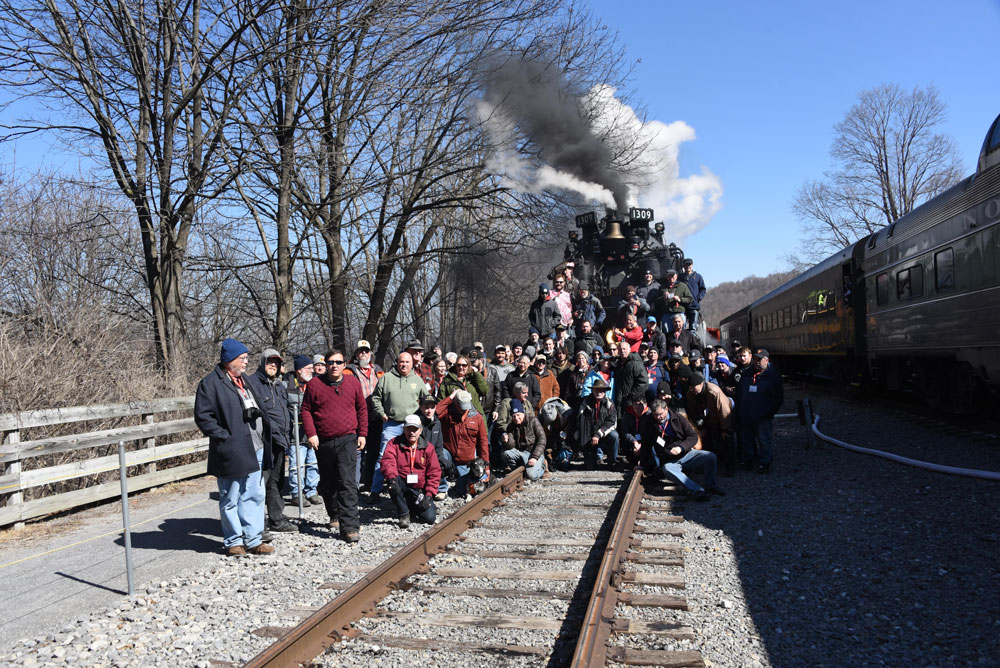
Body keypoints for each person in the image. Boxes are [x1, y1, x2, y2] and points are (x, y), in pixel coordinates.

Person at [194, 338, 275, 556]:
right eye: (243, 358)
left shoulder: (244, 380)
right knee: (231, 496)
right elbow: (203, 417)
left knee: (254, 494)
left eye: (247, 358)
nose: (247, 362)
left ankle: (254, 539)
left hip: (254, 447)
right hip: (231, 450)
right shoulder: (210, 383)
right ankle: (233, 541)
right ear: (230, 361)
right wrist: (224, 437)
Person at [301, 349, 367, 542]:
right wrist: (311, 433)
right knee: (328, 483)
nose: (335, 366)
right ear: (326, 365)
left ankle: (350, 527)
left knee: (347, 483)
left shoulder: (353, 383)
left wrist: (362, 433)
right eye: (331, 362)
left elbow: (361, 409)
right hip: (324, 441)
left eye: (338, 362)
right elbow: (306, 410)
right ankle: (335, 514)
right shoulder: (314, 385)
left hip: (348, 439)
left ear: (344, 364)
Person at [246, 349, 296, 535]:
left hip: (280, 442)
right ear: (262, 362)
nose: (273, 365)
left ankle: (276, 519)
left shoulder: (279, 386)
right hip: (263, 442)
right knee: (259, 484)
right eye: (269, 361)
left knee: (276, 482)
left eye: (276, 362)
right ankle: (257, 525)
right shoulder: (252, 383)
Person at [371, 352, 429, 497]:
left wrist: (422, 417)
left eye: (407, 362)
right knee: (383, 456)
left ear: (412, 364)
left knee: (414, 457)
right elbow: (376, 398)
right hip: (392, 425)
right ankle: (375, 490)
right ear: (397, 362)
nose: (404, 365)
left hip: (412, 426)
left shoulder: (418, 380)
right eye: (401, 362)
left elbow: (426, 400)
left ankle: (414, 489)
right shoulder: (386, 378)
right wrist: (382, 414)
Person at [640, 399, 723, 502]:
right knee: (667, 468)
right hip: (669, 461)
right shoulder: (649, 422)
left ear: (666, 409)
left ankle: (711, 486)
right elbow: (646, 444)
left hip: (687, 454)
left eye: (660, 414)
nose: (658, 417)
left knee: (710, 457)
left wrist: (681, 448)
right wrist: (643, 464)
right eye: (655, 415)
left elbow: (693, 437)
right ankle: (697, 490)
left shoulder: (679, 418)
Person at [380, 414, 441, 528]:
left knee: (429, 518)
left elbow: (434, 472)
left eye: (415, 429)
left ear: (420, 430)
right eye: (409, 429)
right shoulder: (393, 444)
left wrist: (429, 494)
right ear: (404, 429)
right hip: (402, 482)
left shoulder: (428, 448)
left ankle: (412, 507)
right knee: (392, 482)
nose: (412, 432)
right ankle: (403, 514)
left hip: (419, 488)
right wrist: (392, 478)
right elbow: (388, 461)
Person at [343, 339, 385, 490]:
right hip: (356, 419)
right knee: (357, 452)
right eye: (360, 351)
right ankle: (354, 486)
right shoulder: (348, 372)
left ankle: (369, 483)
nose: (363, 354)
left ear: (370, 354)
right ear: (356, 354)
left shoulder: (379, 371)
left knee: (374, 452)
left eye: (366, 351)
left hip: (375, 419)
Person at [735, 349, 784, 473]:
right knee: (747, 439)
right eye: (755, 359)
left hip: (763, 416)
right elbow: (740, 393)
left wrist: (768, 413)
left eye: (760, 359)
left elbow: (778, 398)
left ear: (766, 360)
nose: (757, 362)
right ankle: (749, 460)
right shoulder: (746, 374)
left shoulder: (773, 376)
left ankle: (764, 463)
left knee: (764, 440)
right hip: (746, 414)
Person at [436, 390, 489, 497]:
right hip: (448, 454)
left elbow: (483, 442)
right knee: (436, 456)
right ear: (455, 403)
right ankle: (442, 489)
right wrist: (450, 397)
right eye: (461, 406)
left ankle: (456, 475)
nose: (465, 410)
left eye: (467, 406)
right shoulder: (448, 412)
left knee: (461, 490)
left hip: (465, 460)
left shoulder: (477, 417)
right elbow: (435, 412)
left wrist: (486, 467)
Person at [286, 355, 322, 505]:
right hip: (295, 434)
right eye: (308, 369)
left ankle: (311, 491)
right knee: (297, 465)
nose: (312, 371)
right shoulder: (287, 386)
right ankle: (296, 493)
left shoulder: (314, 384)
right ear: (299, 370)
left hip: (312, 432)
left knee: (313, 463)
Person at [685, 372, 737, 476]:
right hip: (708, 418)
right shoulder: (690, 394)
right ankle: (707, 465)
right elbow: (693, 412)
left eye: (694, 387)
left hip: (723, 416)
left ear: (701, 384)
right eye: (690, 387)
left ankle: (731, 467)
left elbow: (724, 412)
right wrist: (699, 428)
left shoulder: (714, 391)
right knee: (706, 440)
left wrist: (725, 429)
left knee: (728, 439)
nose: (692, 389)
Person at [576, 378, 618, 469]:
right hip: (588, 435)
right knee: (589, 467)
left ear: (605, 392)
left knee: (614, 436)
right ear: (592, 390)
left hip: (603, 434)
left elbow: (612, 422)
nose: (599, 392)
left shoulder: (610, 403)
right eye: (596, 389)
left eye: (601, 390)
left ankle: (612, 462)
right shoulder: (584, 402)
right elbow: (578, 421)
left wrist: (598, 434)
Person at [501, 399, 547, 480]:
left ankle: (543, 467)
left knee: (532, 476)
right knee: (505, 453)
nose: (516, 418)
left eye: (518, 415)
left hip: (534, 452)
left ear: (523, 413)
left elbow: (542, 439)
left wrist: (535, 457)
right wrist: (506, 441)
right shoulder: (511, 426)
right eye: (514, 416)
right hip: (522, 452)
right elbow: (511, 446)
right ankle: (519, 470)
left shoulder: (533, 420)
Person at [418, 396, 450, 500]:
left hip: (433, 454)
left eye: (432, 407)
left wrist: (442, 461)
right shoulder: (416, 422)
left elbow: (439, 446)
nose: (429, 411)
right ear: (421, 407)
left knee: (444, 456)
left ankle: (441, 488)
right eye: (426, 407)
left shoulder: (437, 422)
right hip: (419, 456)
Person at [613, 338, 649, 419]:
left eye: (624, 349)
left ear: (629, 350)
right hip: (620, 404)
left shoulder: (636, 363)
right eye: (620, 349)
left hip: (633, 404)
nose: (622, 351)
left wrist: (631, 397)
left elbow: (644, 383)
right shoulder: (619, 365)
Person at [620, 396, 651, 468]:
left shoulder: (650, 415)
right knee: (625, 442)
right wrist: (635, 442)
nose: (637, 407)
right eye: (635, 404)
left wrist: (642, 444)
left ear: (645, 405)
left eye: (640, 404)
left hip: (645, 441)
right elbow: (625, 432)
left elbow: (650, 433)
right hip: (633, 440)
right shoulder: (627, 414)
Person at [682, 258, 707, 331]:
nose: (688, 266)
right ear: (683, 266)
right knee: (682, 327)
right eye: (686, 265)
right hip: (682, 306)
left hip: (694, 305)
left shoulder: (698, 276)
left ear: (692, 265)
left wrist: (699, 297)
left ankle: (692, 342)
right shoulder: (680, 277)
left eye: (689, 265)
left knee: (693, 327)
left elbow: (703, 289)